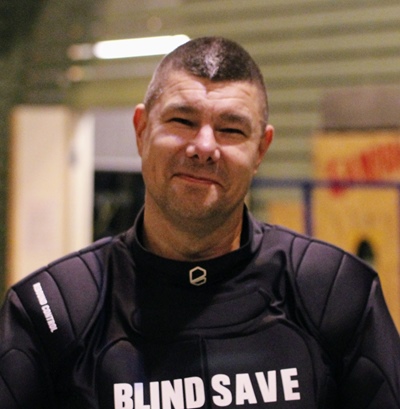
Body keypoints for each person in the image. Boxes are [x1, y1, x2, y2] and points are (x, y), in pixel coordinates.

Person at [0, 36, 399, 409]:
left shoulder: (334, 293)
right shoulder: (53, 311)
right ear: (141, 130)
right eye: (182, 121)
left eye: (231, 129)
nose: (204, 147)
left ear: (261, 150)